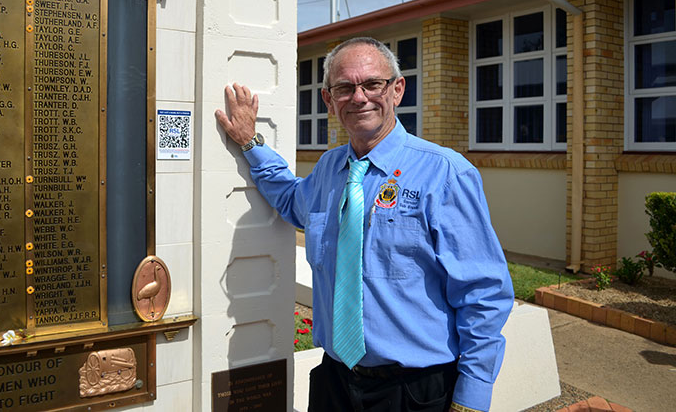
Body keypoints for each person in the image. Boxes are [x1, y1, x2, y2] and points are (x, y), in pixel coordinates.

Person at [215, 37, 514, 412]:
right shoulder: (329, 169)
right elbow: (292, 199)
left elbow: (483, 294)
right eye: (344, 87)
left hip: (415, 392)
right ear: (328, 99)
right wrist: (249, 142)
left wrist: (471, 397)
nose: (359, 98)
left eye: (372, 84)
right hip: (336, 383)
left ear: (397, 89)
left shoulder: (445, 174)